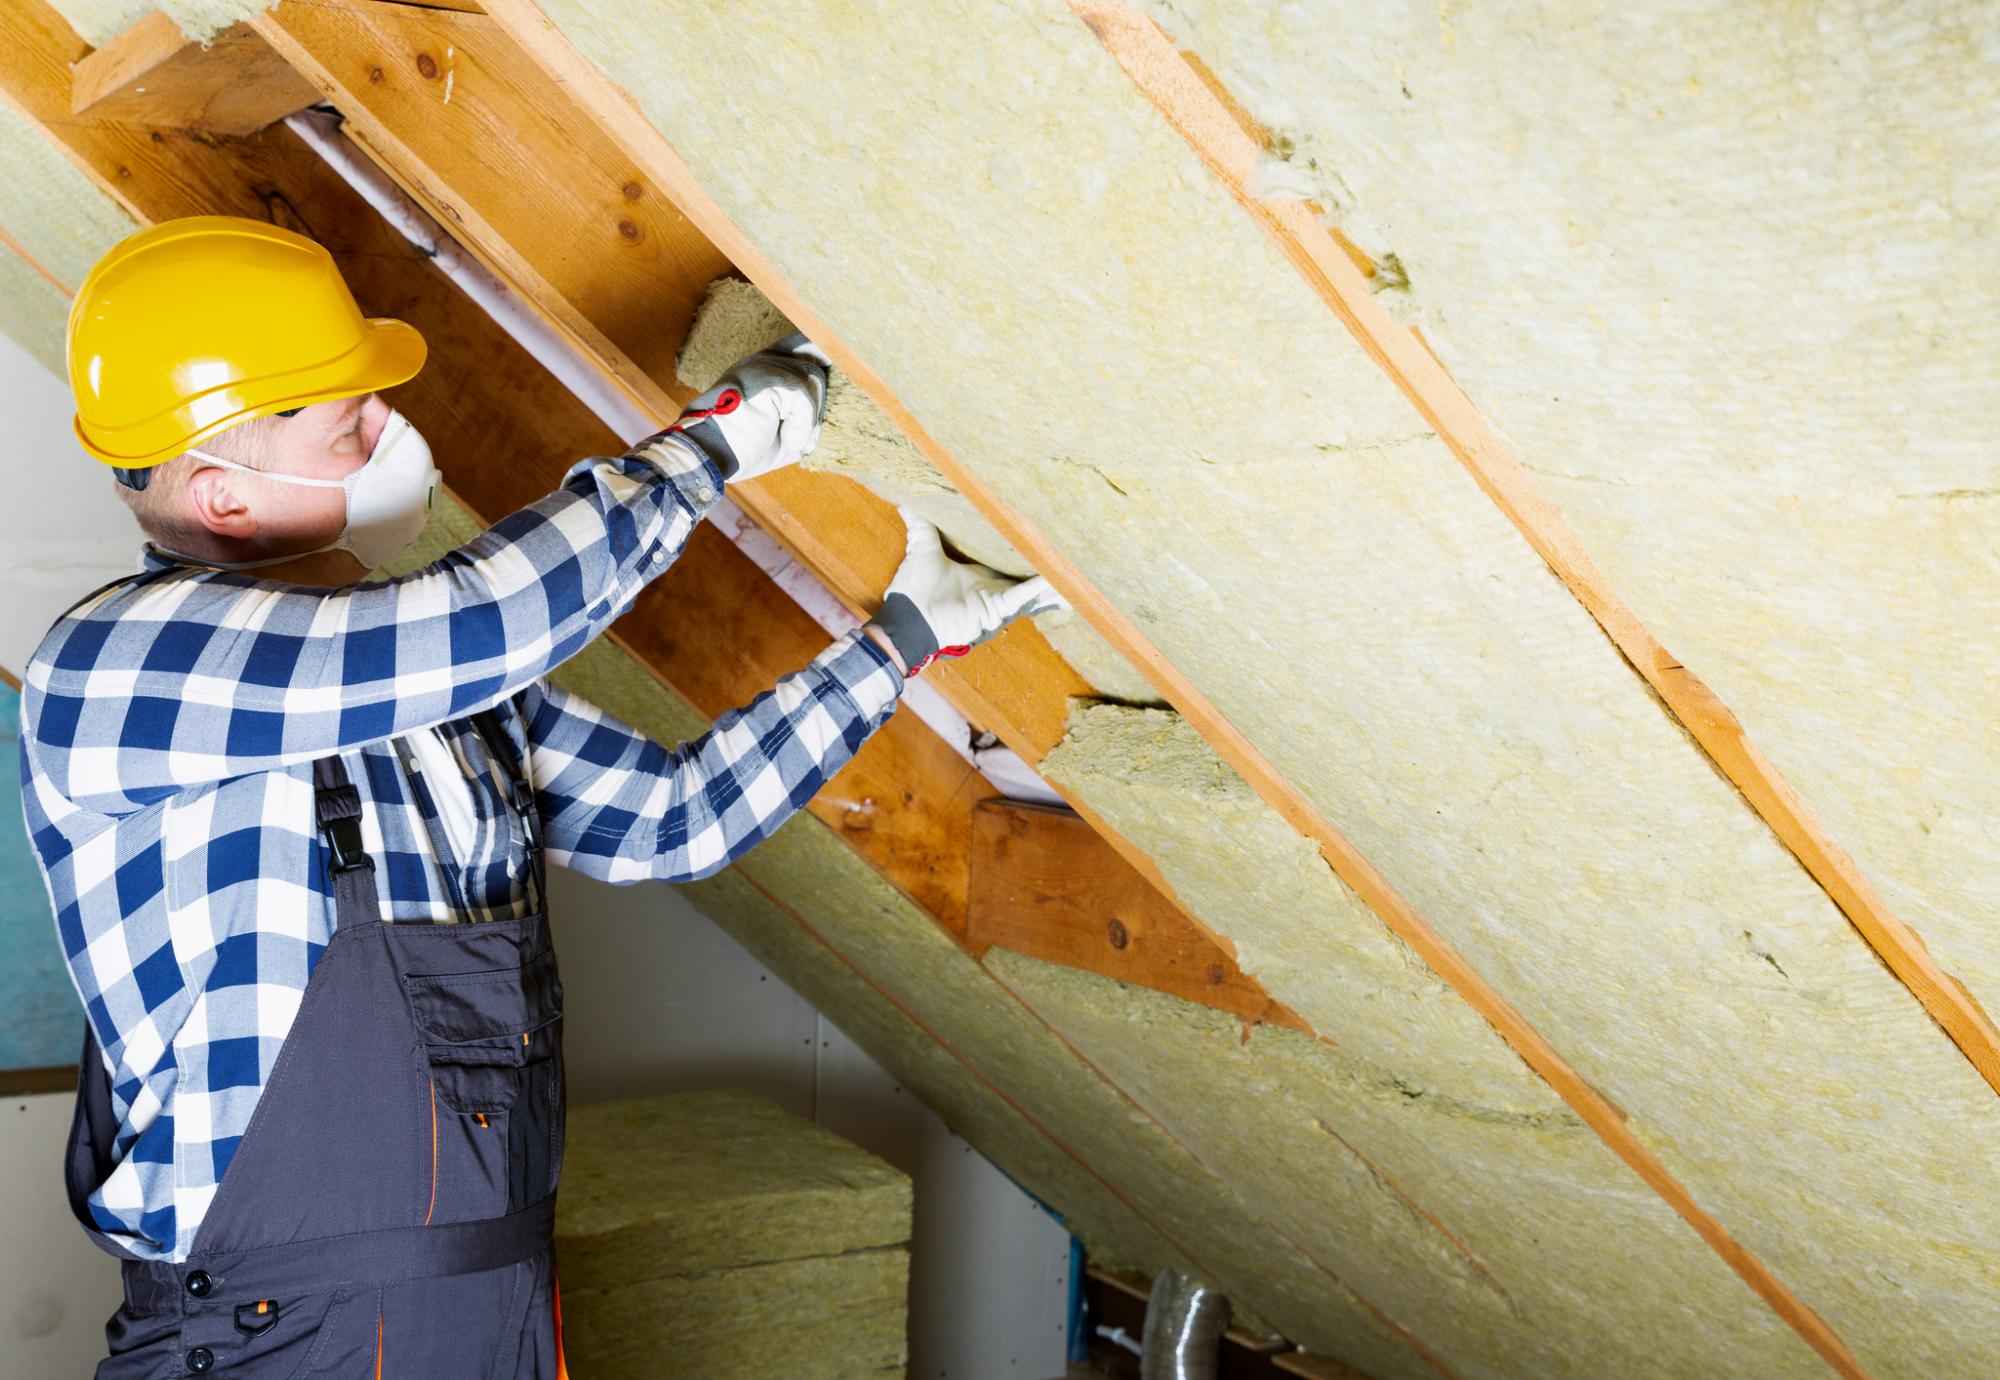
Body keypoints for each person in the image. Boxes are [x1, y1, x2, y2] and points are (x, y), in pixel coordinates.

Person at [19, 215, 1058, 1378]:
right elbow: (488, 619)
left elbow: (671, 821)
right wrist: (708, 450)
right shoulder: (115, 666)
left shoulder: (426, 685)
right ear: (222, 499)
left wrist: (899, 643)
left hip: (490, 1304)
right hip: (281, 1336)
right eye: (342, 421)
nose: (386, 432)